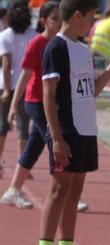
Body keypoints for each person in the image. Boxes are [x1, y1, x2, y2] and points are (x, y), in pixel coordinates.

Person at [32, 0, 110, 245]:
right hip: (65, 130)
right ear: (78, 15)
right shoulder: (55, 48)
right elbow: (48, 94)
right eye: (92, 17)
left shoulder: (83, 50)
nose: (93, 24)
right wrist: (56, 137)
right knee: (58, 191)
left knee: (74, 193)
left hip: (85, 129)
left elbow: (89, 90)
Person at [2, 1, 59, 210]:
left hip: (52, 101)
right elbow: (24, 75)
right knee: (55, 140)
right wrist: (12, 106)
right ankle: (62, 190)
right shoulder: (37, 43)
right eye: (54, 18)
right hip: (35, 100)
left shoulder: (62, 43)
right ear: (44, 21)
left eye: (61, 17)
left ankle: (13, 190)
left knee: (34, 146)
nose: (59, 22)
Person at [0, 1, 36, 179]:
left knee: (2, 126)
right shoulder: (34, 35)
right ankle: (22, 166)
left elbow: (6, 65)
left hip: (6, 86)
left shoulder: (5, 35)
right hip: (26, 86)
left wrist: (6, 89)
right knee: (24, 127)